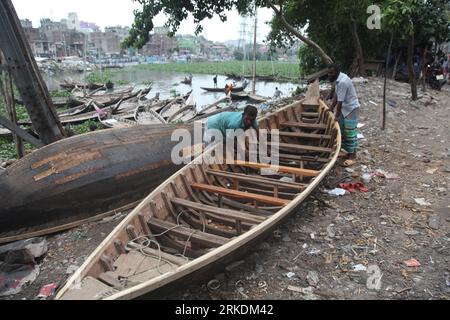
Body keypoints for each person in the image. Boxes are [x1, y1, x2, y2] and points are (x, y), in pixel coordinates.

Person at [327, 63, 360, 161]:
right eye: (328, 73)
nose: (329, 75)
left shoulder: (342, 82)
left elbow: (340, 102)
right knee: (342, 130)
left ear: (337, 72)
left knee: (350, 132)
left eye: (331, 73)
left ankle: (353, 154)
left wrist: (336, 116)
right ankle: (348, 152)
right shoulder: (338, 80)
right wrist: (331, 107)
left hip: (351, 109)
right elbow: (337, 96)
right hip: (345, 109)